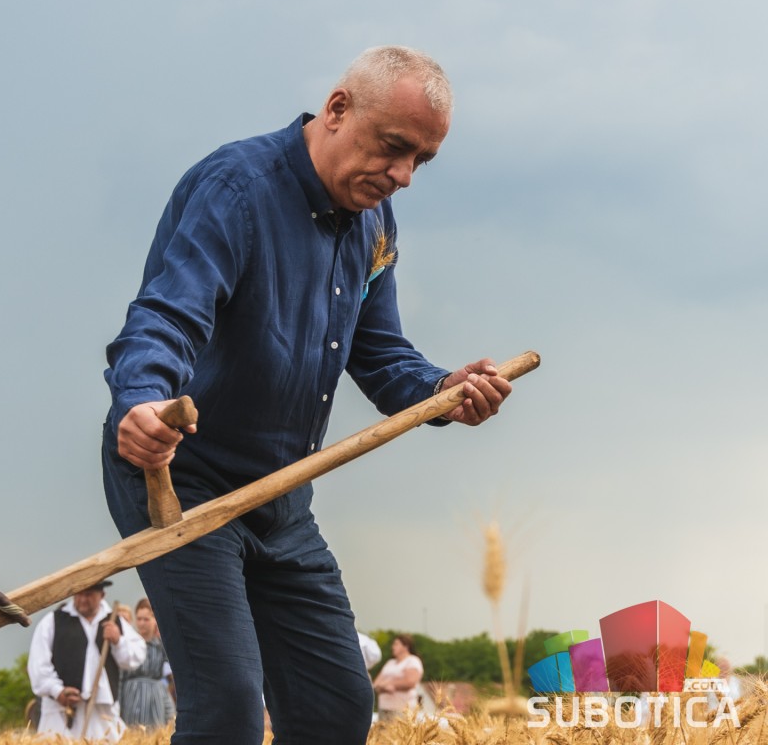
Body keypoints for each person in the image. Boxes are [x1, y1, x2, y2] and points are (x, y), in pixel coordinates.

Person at [101, 45, 512, 745]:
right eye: (394, 147)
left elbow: (380, 354)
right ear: (338, 109)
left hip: (283, 497)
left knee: (337, 706)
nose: (404, 175)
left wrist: (442, 389)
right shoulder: (236, 189)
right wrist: (141, 400)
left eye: (422, 160)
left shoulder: (375, 225)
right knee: (229, 706)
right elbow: (168, 314)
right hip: (184, 484)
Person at [27, 581, 147, 742]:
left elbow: (136, 657)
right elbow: (38, 665)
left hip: (102, 713)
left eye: (89, 595)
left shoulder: (114, 621)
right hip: (61, 712)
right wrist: (57, 691)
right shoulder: (53, 621)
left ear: (102, 595)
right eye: (79, 594)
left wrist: (118, 640)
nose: (83, 599)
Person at [118, 598, 176, 730]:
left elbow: (171, 675)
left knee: (155, 732)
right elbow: (120, 677)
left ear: (154, 620)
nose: (142, 623)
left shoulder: (161, 646)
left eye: (146, 619)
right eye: (139, 619)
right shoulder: (130, 644)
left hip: (155, 697)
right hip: (130, 696)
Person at [373, 634, 424, 721]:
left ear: (405, 646)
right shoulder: (390, 662)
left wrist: (389, 684)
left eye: (396, 644)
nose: (393, 647)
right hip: (384, 708)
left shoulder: (412, 661)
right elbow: (376, 684)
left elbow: (410, 682)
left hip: (402, 710)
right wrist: (385, 687)